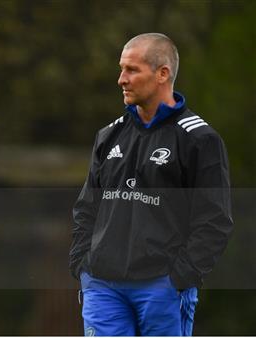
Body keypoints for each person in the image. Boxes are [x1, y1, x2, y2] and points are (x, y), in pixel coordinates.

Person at [69, 33, 233, 336]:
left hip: (162, 289)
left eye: (132, 70)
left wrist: (177, 278)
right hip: (103, 287)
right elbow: (86, 208)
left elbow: (215, 221)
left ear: (162, 73)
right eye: (121, 69)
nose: (121, 79)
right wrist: (84, 267)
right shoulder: (108, 136)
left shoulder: (200, 140)